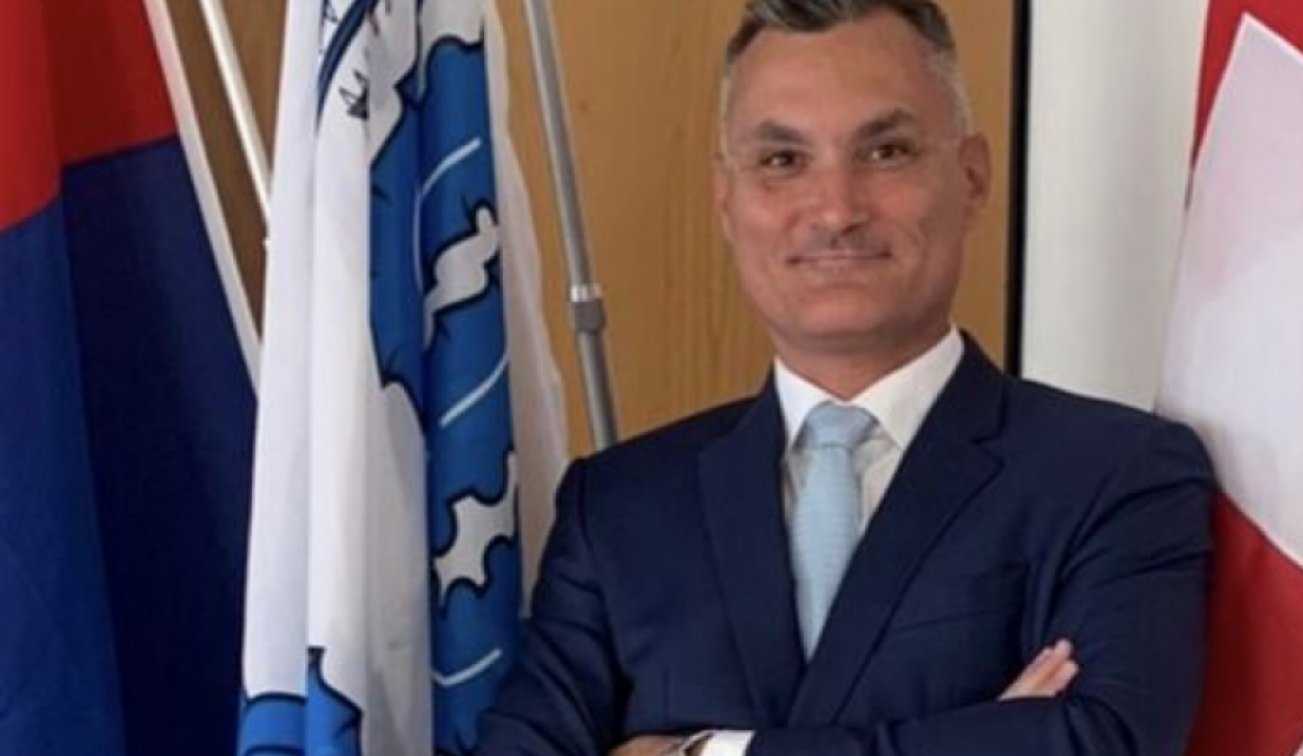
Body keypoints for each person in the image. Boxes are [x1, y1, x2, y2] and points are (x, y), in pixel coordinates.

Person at [478, 1, 1213, 754]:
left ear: (971, 178)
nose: (835, 210)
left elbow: (1099, 743)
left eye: (885, 152)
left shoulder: (1116, 476)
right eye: (783, 161)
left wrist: (707, 751)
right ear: (726, 200)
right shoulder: (619, 506)